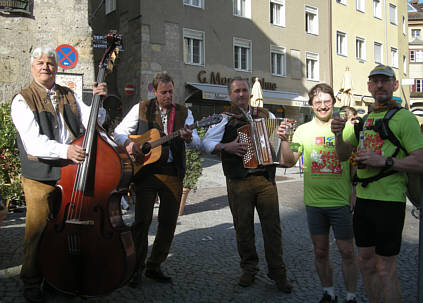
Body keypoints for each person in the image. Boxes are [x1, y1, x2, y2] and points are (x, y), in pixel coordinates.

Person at [11, 46, 108, 303]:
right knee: (38, 229)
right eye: (40, 63)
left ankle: (56, 277)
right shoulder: (23, 99)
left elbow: (93, 120)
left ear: (57, 67)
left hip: (68, 174)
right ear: (32, 67)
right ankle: (31, 280)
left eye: (50, 63)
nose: (46, 67)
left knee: (64, 231)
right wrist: (67, 151)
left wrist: (99, 100)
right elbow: (33, 142)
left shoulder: (69, 94)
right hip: (39, 175)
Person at [331, 64, 423, 303]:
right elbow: (342, 155)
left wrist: (384, 161)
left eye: (385, 81)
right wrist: (339, 134)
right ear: (369, 86)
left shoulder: (405, 118)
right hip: (363, 202)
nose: (380, 85)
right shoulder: (364, 121)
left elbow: (420, 162)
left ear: (394, 85)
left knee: (385, 268)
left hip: (389, 202)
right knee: (365, 264)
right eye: (375, 81)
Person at [200, 77, 292, 293]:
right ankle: (249, 269)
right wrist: (226, 146)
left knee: (273, 228)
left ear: (249, 93)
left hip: (266, 180)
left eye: (244, 90)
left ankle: (278, 273)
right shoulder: (224, 118)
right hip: (238, 181)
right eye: (236, 91)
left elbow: (277, 140)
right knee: (243, 228)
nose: (241, 94)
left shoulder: (266, 115)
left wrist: (282, 138)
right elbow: (206, 143)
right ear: (230, 95)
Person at [113, 71, 200, 287]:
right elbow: (118, 132)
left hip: (172, 172)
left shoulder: (183, 112)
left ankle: (155, 265)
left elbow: (195, 142)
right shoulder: (140, 108)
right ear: (154, 91)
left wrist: (189, 138)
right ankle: (135, 267)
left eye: (171, 91)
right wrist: (130, 145)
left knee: (169, 221)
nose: (168, 96)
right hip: (146, 172)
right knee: (142, 221)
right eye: (164, 92)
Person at [277, 83, 358, 303]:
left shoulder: (347, 128)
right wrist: (284, 140)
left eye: (326, 102)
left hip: (340, 201)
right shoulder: (303, 130)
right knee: (320, 251)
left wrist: (354, 192)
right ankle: (328, 292)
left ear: (333, 102)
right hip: (314, 202)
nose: (322, 106)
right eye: (318, 102)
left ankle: (351, 296)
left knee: (347, 252)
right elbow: (288, 161)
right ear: (312, 105)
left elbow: (345, 158)